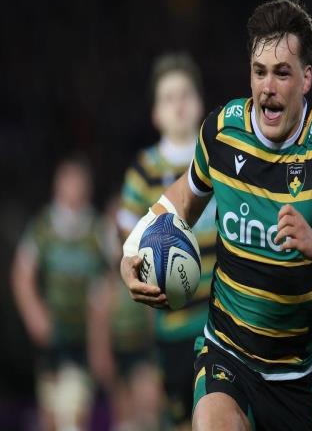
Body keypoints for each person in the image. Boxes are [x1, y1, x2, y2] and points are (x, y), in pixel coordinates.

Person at [121, 0, 312, 431]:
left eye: (282, 73)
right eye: (259, 71)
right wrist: (131, 250)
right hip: (224, 351)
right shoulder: (221, 132)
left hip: (290, 379)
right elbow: (181, 200)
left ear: (307, 78)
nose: (267, 86)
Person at [117, 53, 217, 429]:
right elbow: (126, 237)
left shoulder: (219, 159)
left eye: (185, 94)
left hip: (223, 320)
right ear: (156, 114)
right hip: (173, 327)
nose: (178, 105)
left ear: (200, 103)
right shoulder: (144, 170)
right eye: (168, 98)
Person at [11, 158, 106, 431]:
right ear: (57, 186)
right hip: (53, 334)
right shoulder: (43, 227)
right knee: (50, 414)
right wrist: (34, 314)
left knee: (73, 412)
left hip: (84, 335)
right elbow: (21, 274)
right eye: (68, 182)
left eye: (79, 183)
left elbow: (112, 276)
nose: (73, 189)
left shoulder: (97, 230)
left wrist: (100, 329)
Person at [87, 195, 161, 431]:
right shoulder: (103, 281)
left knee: (148, 403)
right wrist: (102, 355)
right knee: (124, 416)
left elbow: (153, 315)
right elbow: (98, 323)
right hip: (117, 356)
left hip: (142, 353)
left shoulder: (147, 271)